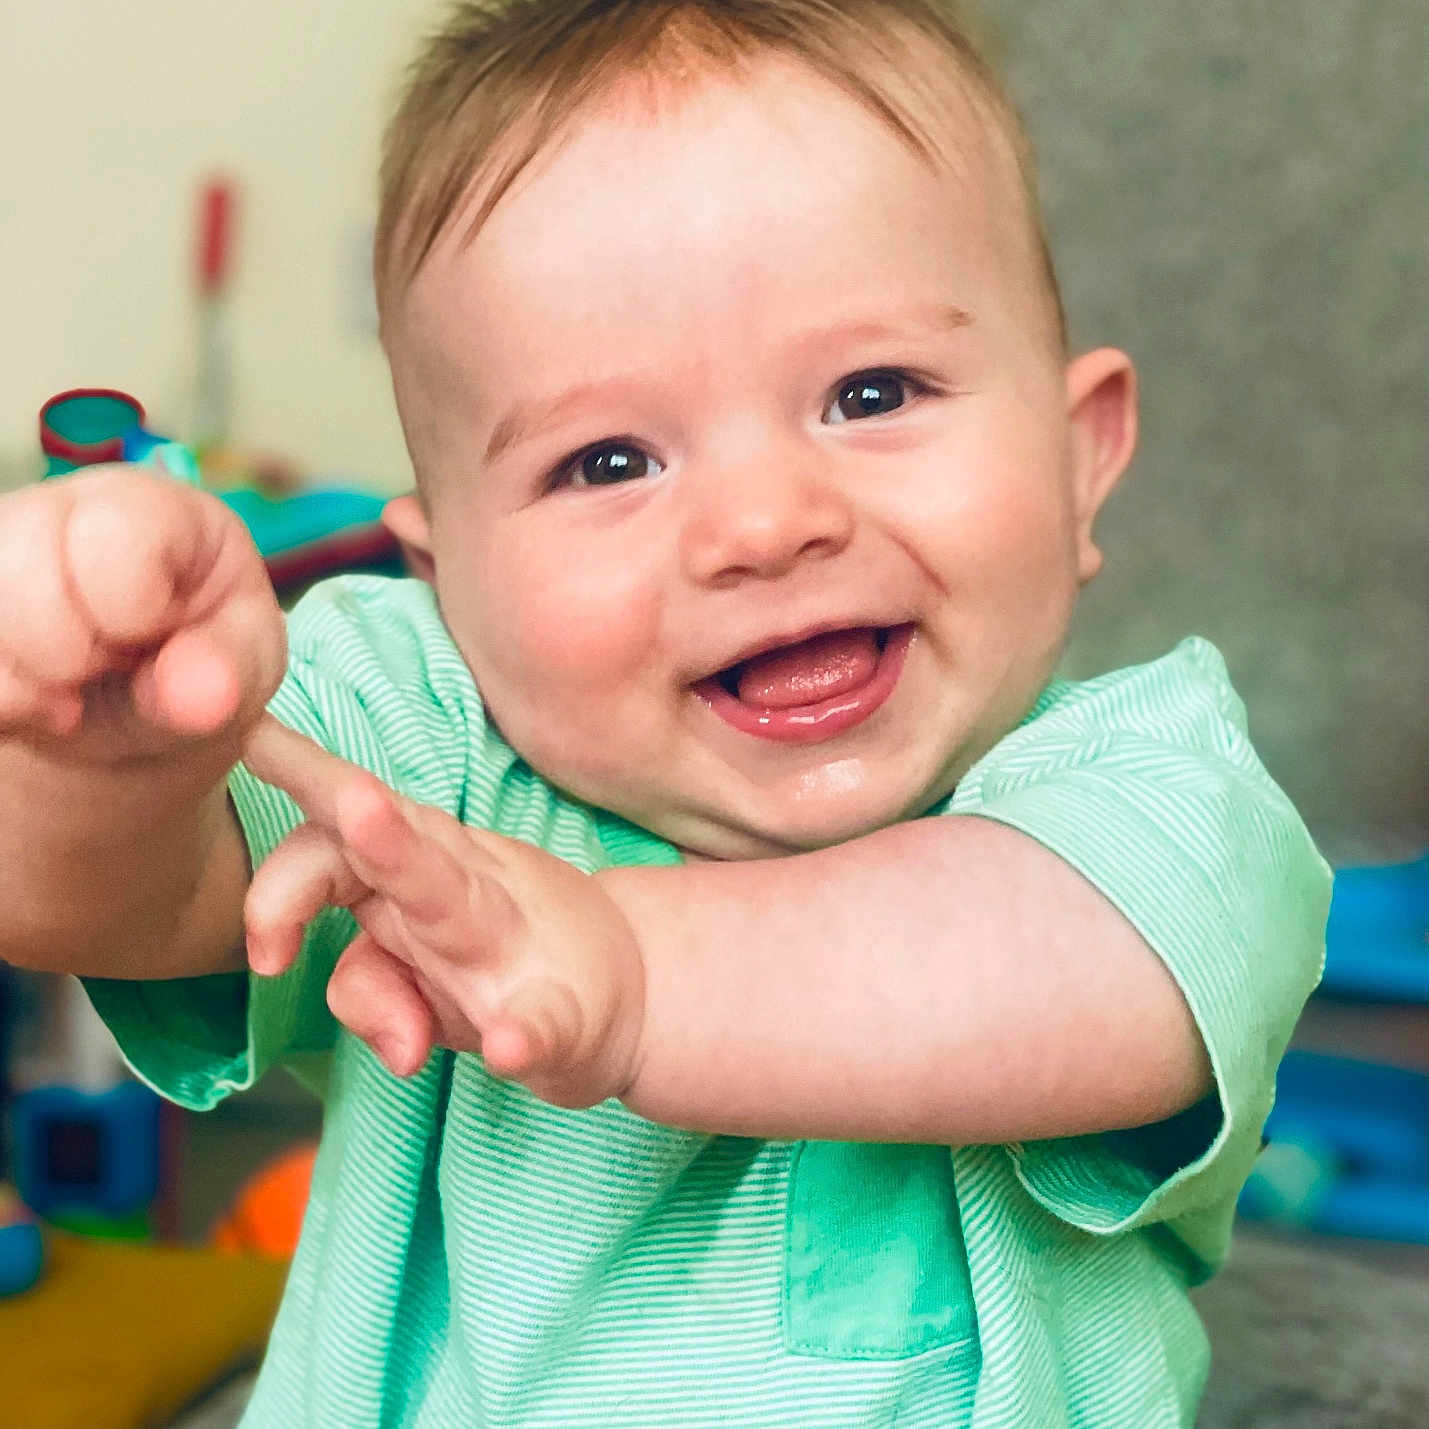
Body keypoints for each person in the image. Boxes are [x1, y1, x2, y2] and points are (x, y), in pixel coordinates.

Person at [0, 1, 1329, 1424]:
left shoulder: (1158, 785)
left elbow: (1084, 980)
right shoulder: (428, 739)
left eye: (870, 391)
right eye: (607, 459)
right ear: (450, 576)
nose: (760, 525)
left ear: (1079, 459)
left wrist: (619, 967)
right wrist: (101, 753)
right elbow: (119, 899)